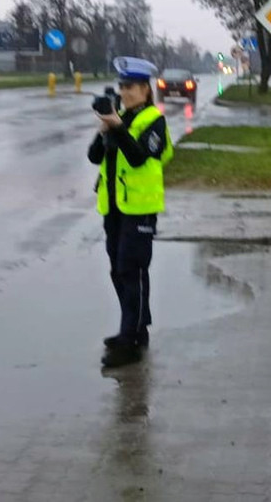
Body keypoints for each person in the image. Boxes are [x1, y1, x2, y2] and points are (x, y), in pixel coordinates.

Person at [88, 57, 173, 368]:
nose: (125, 92)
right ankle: (136, 329)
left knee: (131, 271)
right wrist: (104, 127)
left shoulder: (154, 121)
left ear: (146, 90)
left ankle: (129, 340)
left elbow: (138, 158)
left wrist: (119, 128)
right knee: (118, 271)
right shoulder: (118, 117)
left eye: (132, 87)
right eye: (122, 87)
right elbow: (94, 156)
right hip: (113, 208)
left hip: (140, 209)